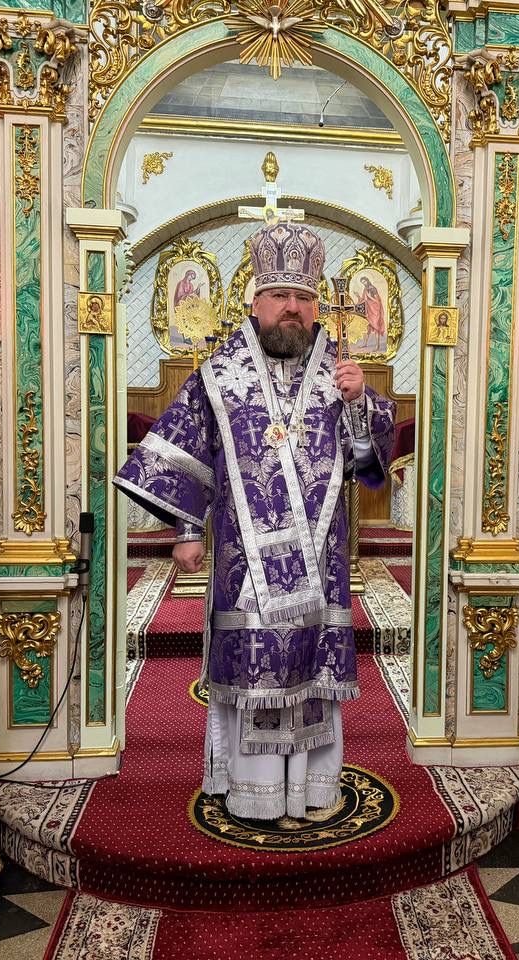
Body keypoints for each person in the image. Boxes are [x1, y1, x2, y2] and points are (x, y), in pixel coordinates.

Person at [115, 222, 395, 820]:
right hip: (246, 563)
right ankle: (254, 790)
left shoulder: (341, 371)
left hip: (320, 564)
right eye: (280, 296)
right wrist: (188, 531)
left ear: (316, 305)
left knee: (313, 665)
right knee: (251, 661)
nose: (292, 308)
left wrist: (361, 404)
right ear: (256, 301)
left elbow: (366, 467)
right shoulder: (220, 373)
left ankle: (311, 787)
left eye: (303, 297)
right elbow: (187, 448)